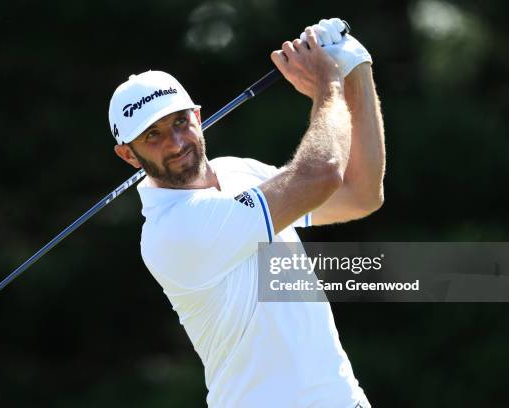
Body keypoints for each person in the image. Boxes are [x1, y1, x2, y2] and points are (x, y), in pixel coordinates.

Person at [109, 17, 385, 408]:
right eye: (152, 135)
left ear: (198, 116)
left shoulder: (240, 171)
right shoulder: (172, 231)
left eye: (180, 121)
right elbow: (321, 173)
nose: (175, 143)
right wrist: (329, 85)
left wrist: (355, 66)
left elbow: (360, 194)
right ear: (127, 154)